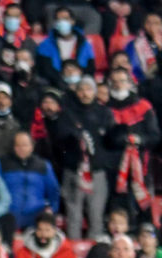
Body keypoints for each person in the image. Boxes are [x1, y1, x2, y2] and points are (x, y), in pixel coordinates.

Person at [48, 76, 118, 241]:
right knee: (74, 215)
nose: (85, 93)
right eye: (82, 89)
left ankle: (96, 254)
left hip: (97, 172)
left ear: (94, 91)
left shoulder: (105, 113)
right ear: (76, 92)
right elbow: (59, 138)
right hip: (73, 171)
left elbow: (112, 141)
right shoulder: (67, 114)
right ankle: (73, 252)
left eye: (89, 89)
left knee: (96, 214)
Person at [106, 68, 160, 224]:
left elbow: (154, 136)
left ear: (130, 83)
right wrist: (123, 139)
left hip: (141, 166)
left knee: (142, 204)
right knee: (118, 206)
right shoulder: (106, 108)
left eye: (122, 81)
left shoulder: (143, 106)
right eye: (114, 82)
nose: (118, 85)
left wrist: (139, 140)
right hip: (115, 165)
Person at [0, 131, 59, 231]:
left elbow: (54, 191)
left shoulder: (43, 165)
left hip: (36, 218)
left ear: (32, 146)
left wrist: (52, 210)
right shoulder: (1, 163)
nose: (21, 149)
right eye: (17, 145)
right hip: (8, 216)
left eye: (24, 145)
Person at [35, 7, 96, 89]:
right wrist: (62, 84)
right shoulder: (45, 45)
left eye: (65, 19)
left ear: (72, 21)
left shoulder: (85, 44)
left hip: (81, 85)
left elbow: (90, 68)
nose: (62, 22)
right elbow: (46, 70)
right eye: (58, 20)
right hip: (55, 85)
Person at [0, 3, 37, 82]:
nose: (12, 20)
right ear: (4, 18)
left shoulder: (29, 43)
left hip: (19, 82)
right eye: (9, 16)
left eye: (16, 17)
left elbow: (33, 68)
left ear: (21, 19)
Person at [127, 12, 162, 81]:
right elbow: (133, 67)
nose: (153, 26)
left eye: (156, 23)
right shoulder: (134, 44)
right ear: (144, 25)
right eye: (149, 23)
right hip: (145, 82)